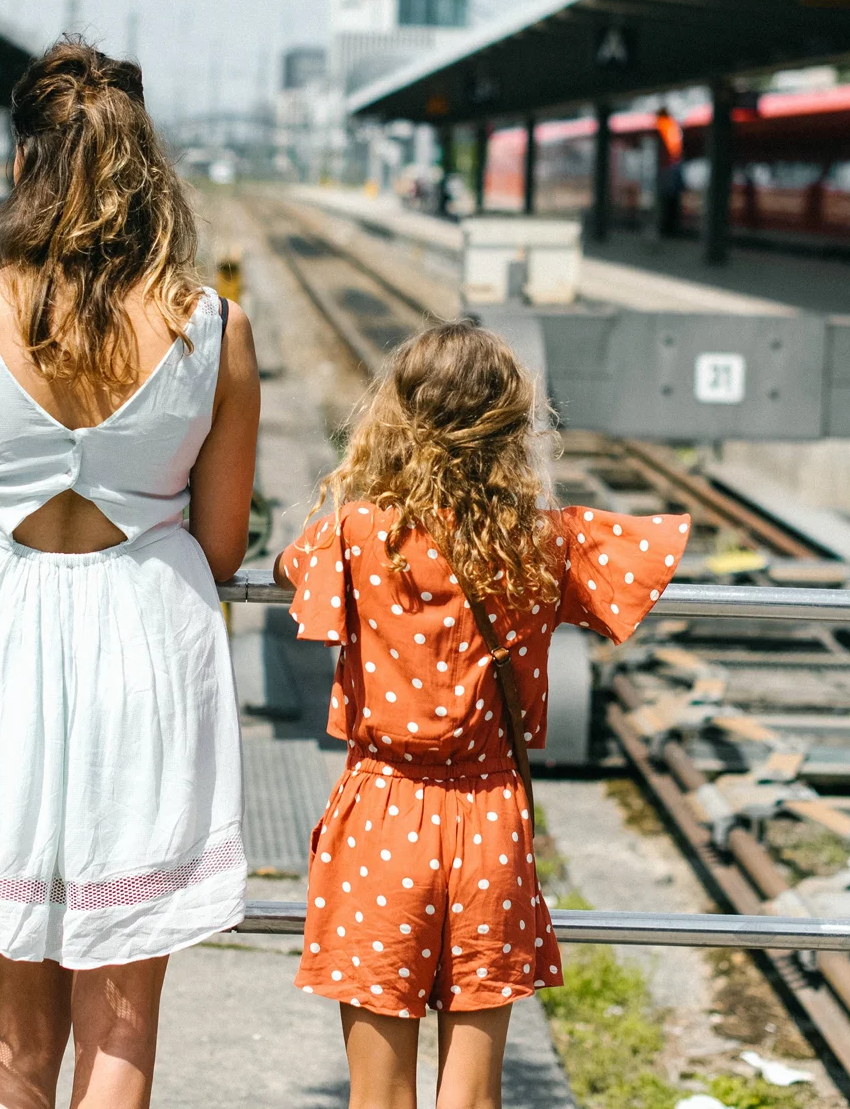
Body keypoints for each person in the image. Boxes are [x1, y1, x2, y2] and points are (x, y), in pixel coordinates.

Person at [0, 37, 260, 1109]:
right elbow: (223, 548)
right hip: (147, 648)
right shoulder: (212, 328)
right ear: (150, 168)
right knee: (122, 1034)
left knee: (15, 1041)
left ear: (23, 165)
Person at [275, 322, 686, 1109]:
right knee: (472, 1095)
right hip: (490, 820)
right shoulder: (540, 540)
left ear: (395, 419)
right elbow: (648, 558)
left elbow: (294, 572)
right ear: (510, 427)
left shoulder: (358, 534)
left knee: (378, 1093)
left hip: (384, 814)